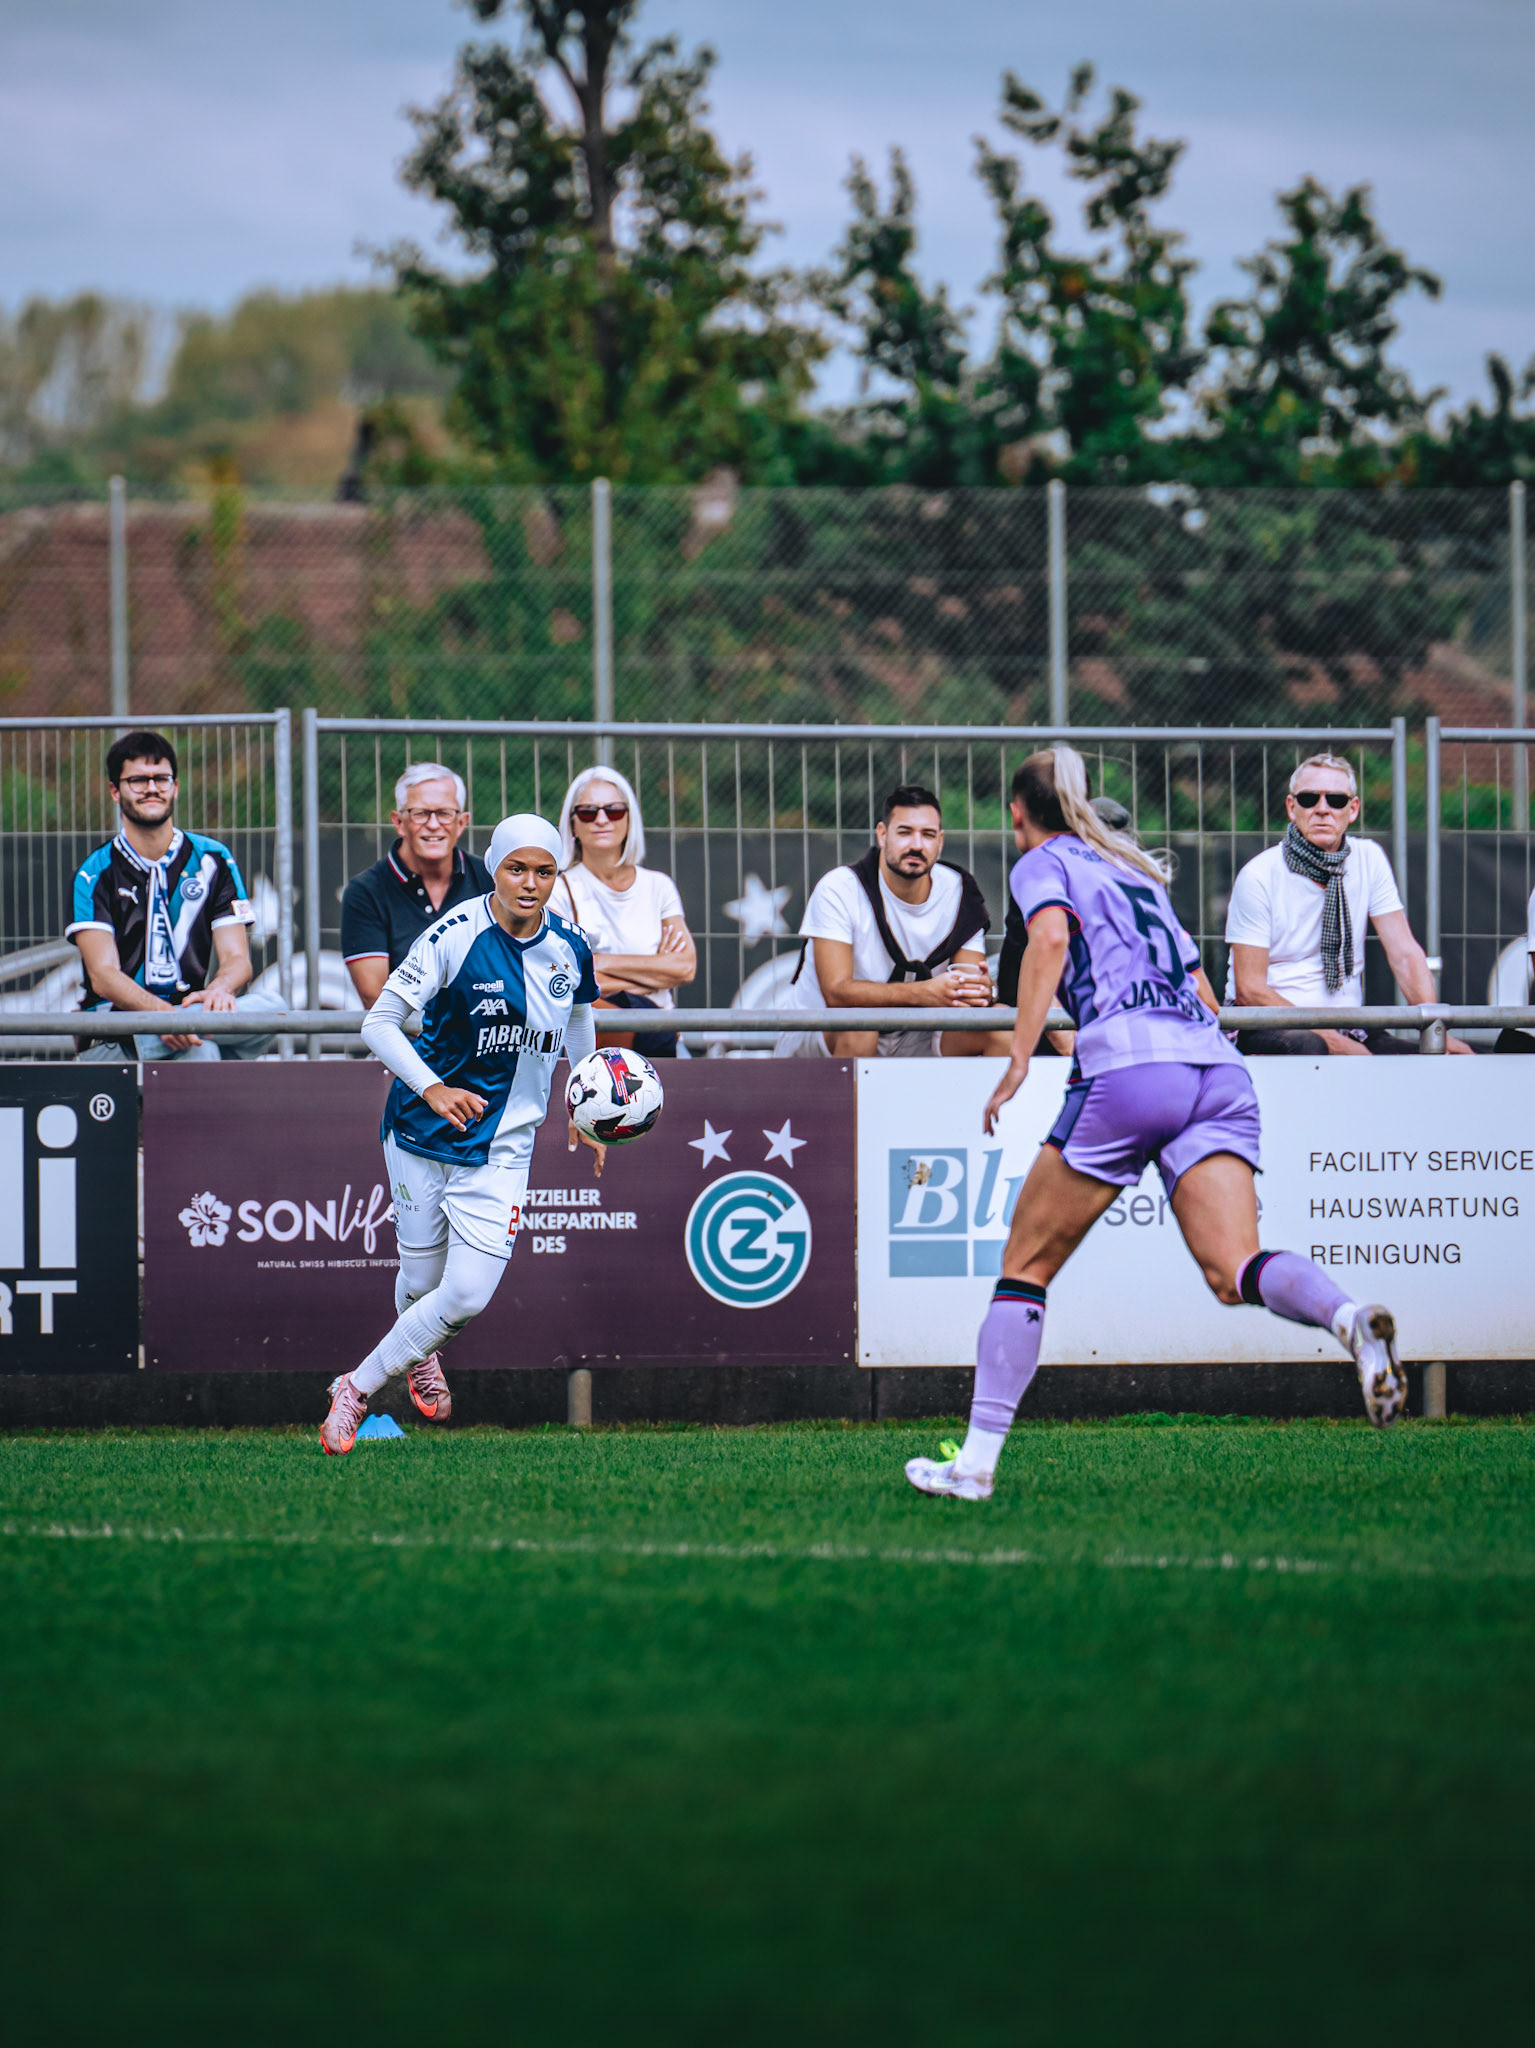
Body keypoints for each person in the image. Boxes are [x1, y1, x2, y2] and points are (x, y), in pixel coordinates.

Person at [905, 746, 1407, 1505]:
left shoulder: (1043, 861)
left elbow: (1048, 941)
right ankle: (1347, 1318)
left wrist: (1018, 1059)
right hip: (1216, 1070)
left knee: (1024, 1266)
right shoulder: (1134, 868)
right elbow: (1202, 988)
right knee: (1233, 1269)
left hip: (1132, 1068)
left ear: (1017, 814)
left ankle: (973, 1466)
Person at [319, 813, 602, 1456]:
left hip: (504, 1146)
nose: (530, 883)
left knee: (467, 1294)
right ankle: (417, 1354)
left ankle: (355, 1388)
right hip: (420, 1131)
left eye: (545, 871)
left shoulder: (571, 946)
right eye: (516, 869)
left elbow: (579, 1018)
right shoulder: (452, 934)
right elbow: (379, 1023)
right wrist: (434, 1089)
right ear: (494, 868)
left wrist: (582, 1100)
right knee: (423, 1285)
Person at [1225, 753, 1470, 1055]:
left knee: (1423, 1059)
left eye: (1336, 800)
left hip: (1348, 1024)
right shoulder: (1259, 874)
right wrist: (1336, 1043)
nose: (1322, 809)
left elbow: (1405, 954)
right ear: (1291, 807)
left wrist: (1435, 1032)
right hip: (1268, 1023)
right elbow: (1249, 990)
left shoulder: (1368, 858)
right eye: (1309, 799)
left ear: (1352, 809)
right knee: (1310, 1046)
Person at [68, 728, 277, 1062]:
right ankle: (189, 1036)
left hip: (189, 1015)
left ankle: (194, 1031)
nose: (152, 788)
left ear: (175, 787)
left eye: (161, 779)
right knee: (202, 1053)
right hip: (118, 1031)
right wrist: (164, 1018)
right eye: (138, 780)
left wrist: (219, 989)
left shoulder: (213, 858)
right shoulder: (94, 873)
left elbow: (237, 958)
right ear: (115, 791)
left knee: (273, 1008)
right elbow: (103, 976)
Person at [775, 783, 1006, 1058]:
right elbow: (836, 994)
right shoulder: (839, 888)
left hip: (919, 1035)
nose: (916, 845)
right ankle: (843, 1090)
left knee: (1002, 1025)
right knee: (859, 1026)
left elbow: (966, 988)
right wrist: (924, 993)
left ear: (940, 841)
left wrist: (981, 992)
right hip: (821, 1035)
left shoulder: (960, 890)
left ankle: (991, 1091)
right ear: (882, 834)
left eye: (928, 834)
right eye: (905, 832)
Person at [554, 766, 695, 1056]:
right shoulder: (559, 891)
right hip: (595, 1046)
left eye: (614, 810)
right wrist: (654, 972)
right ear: (572, 825)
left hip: (661, 1038)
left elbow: (684, 967)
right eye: (588, 812)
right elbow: (565, 979)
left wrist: (600, 962)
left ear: (630, 819)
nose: (602, 819)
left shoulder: (658, 886)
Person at [341, 763, 491, 1004]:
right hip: (407, 1029)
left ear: (462, 822)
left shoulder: (490, 880)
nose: (433, 824)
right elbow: (375, 997)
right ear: (398, 822)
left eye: (444, 813)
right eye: (420, 813)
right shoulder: (366, 892)